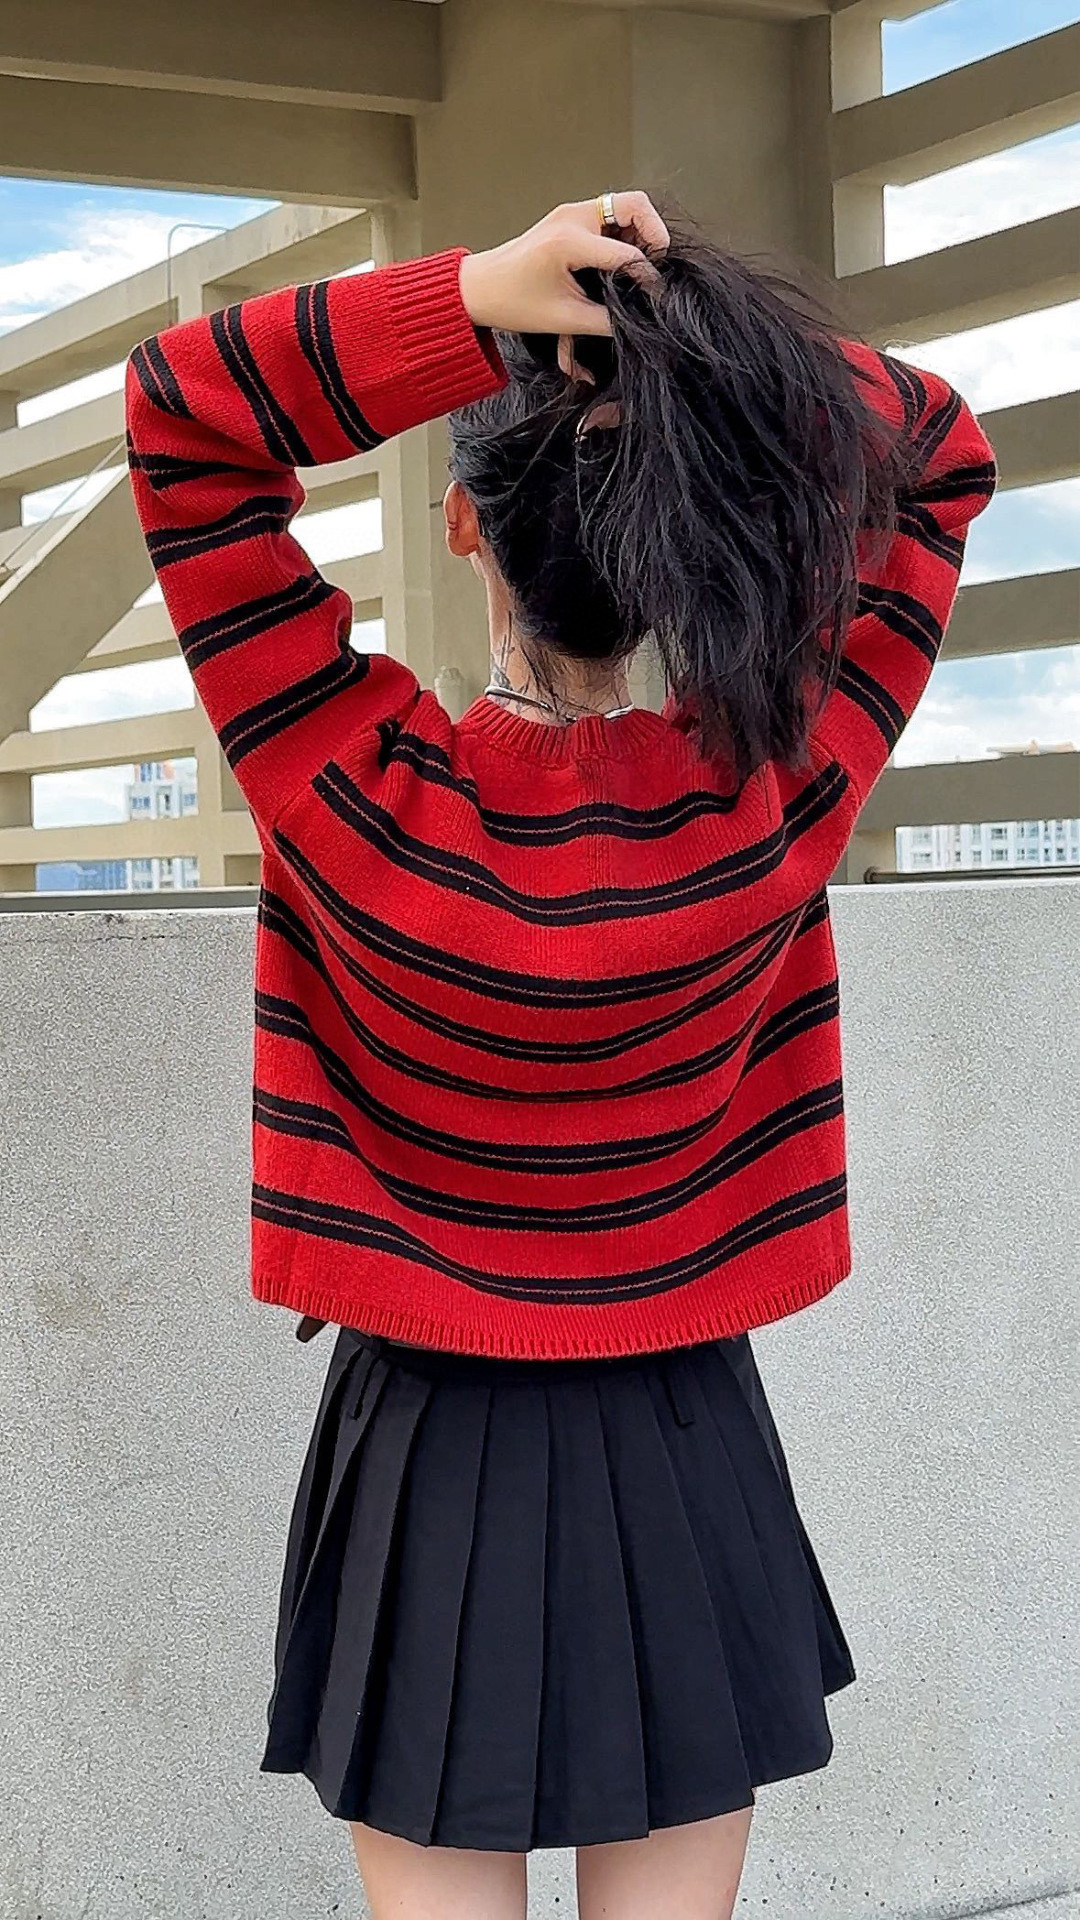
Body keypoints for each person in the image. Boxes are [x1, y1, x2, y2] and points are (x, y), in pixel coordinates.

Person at [125, 190, 996, 1920]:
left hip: (423, 1444)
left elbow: (184, 421)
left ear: (462, 523)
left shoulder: (346, 793)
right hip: (684, 1428)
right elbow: (941, 456)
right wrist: (685, 340)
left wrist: (472, 299)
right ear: (673, 541)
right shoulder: (767, 801)